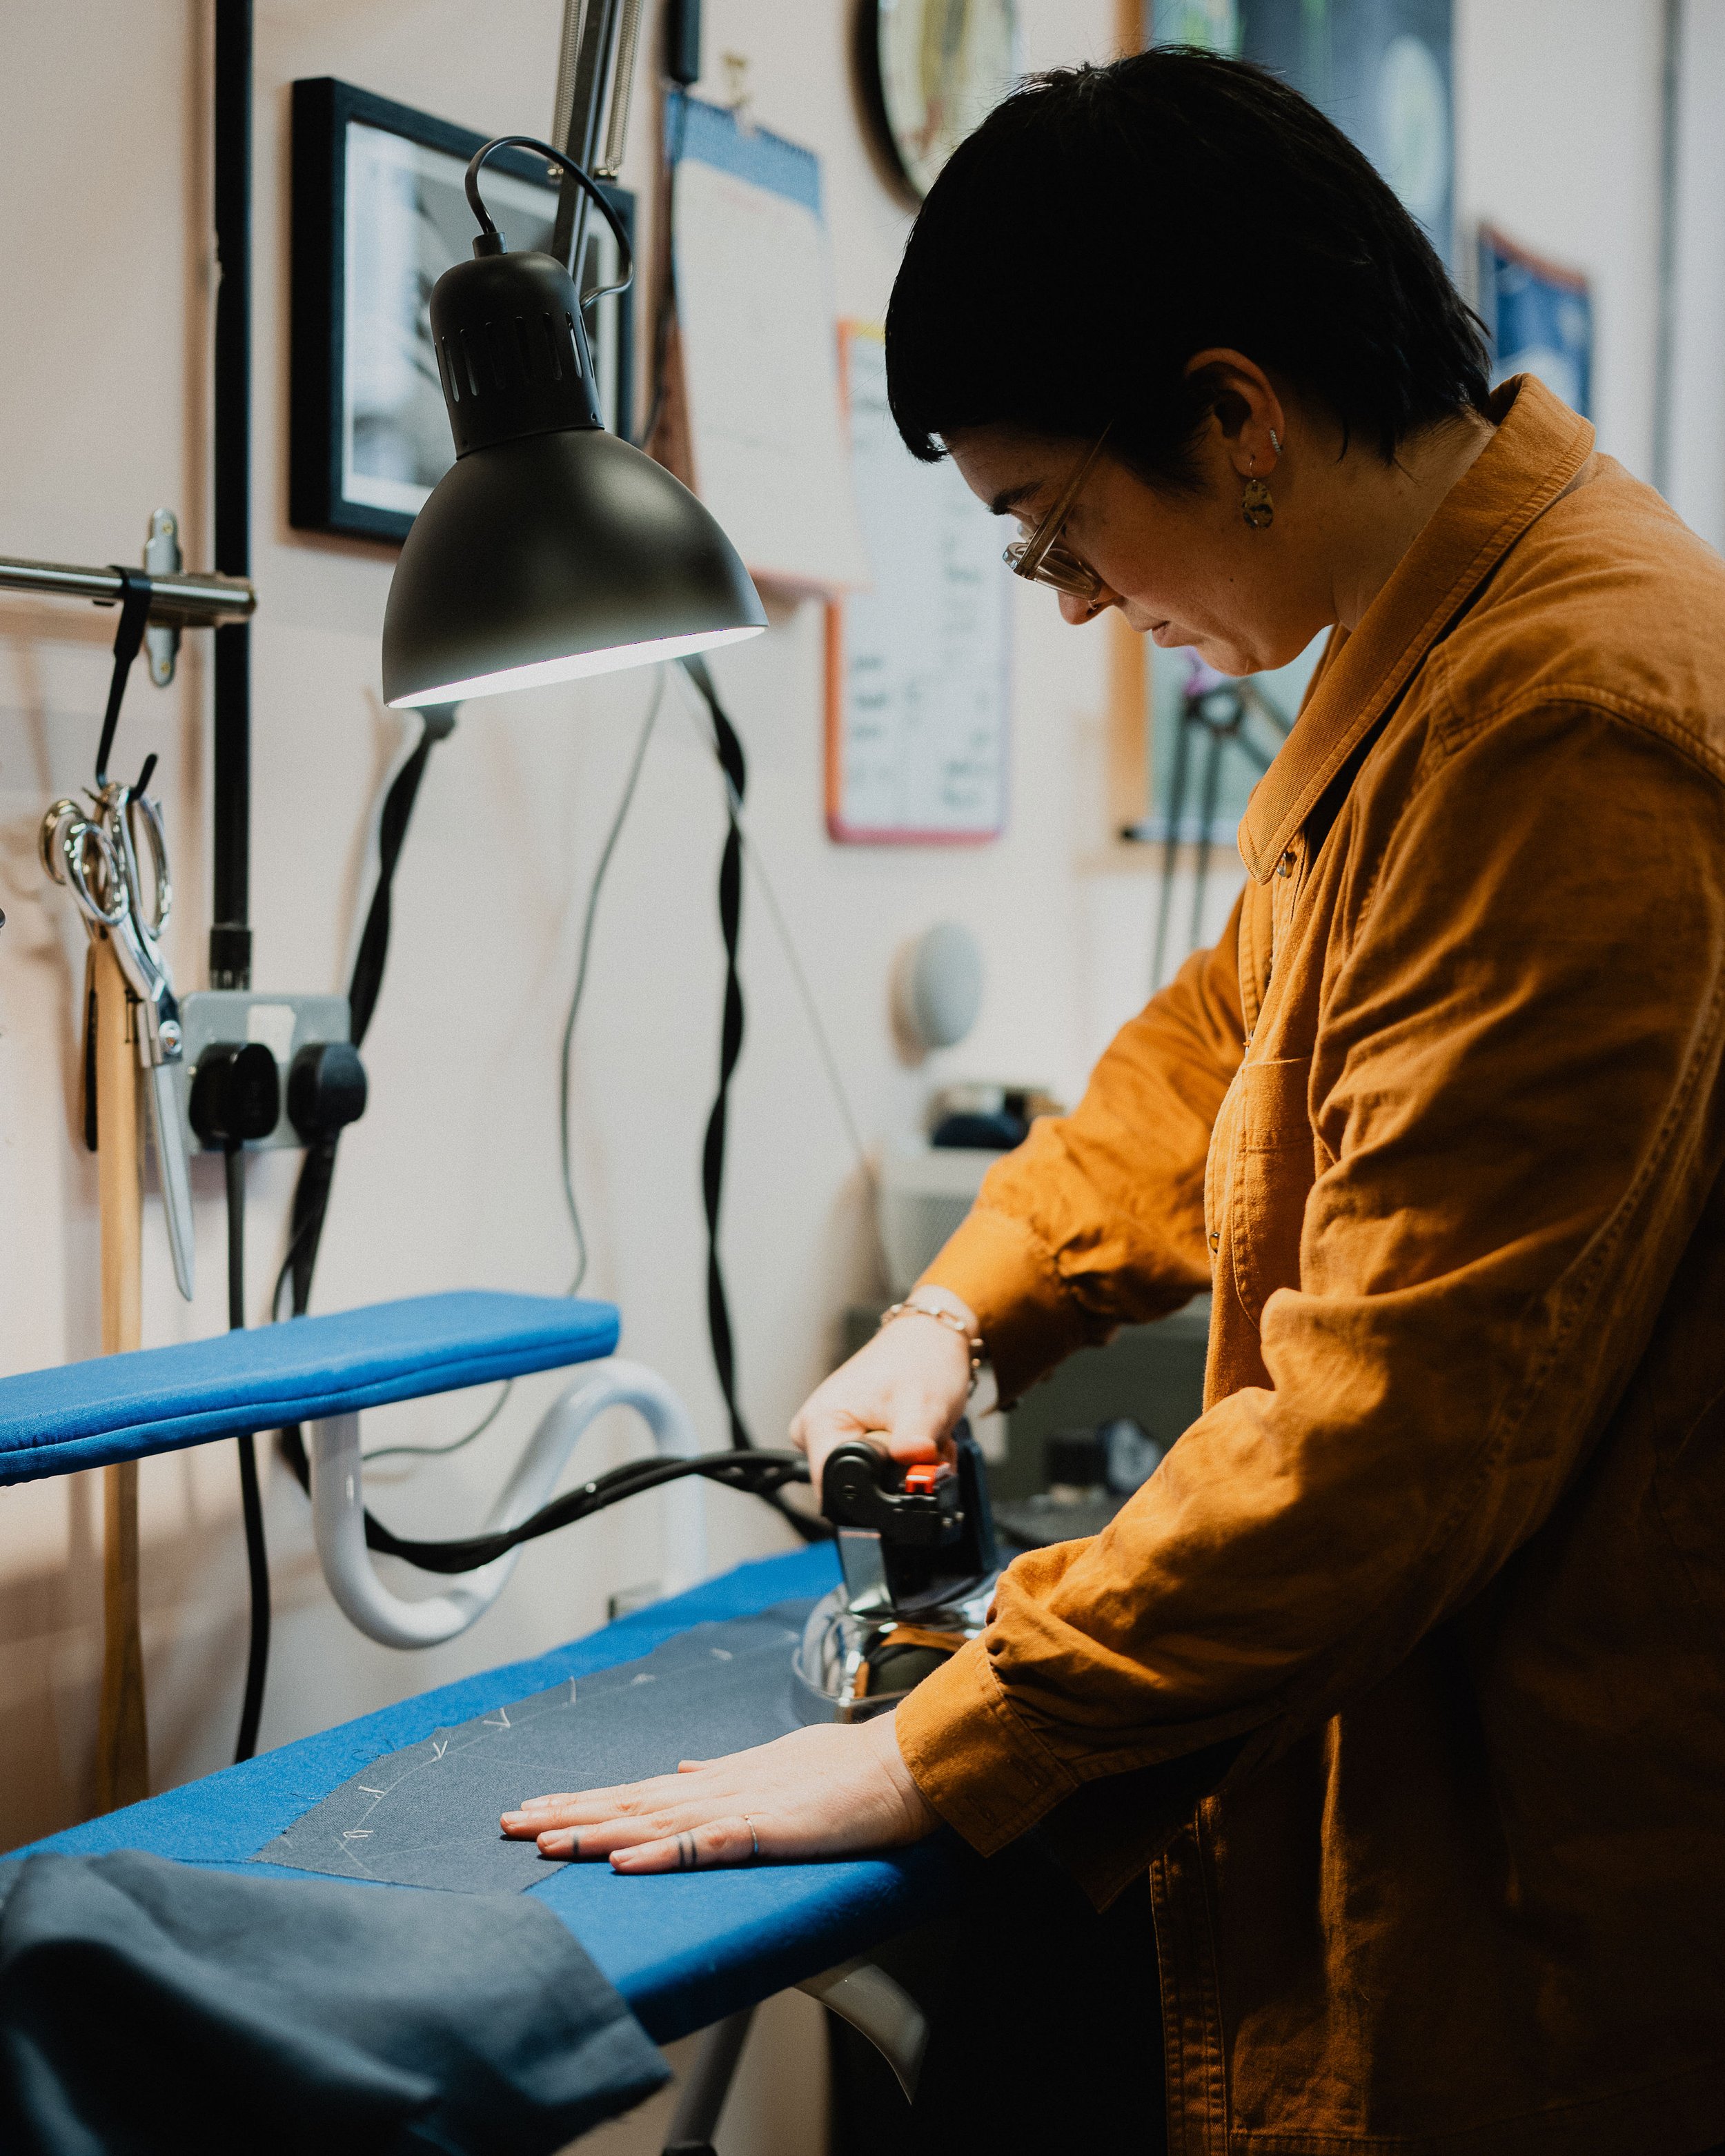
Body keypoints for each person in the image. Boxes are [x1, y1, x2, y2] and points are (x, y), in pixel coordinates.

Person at [502, 49, 1725, 2156]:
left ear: (1235, 417)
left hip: (1544, 1863)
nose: (1071, 602)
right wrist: (947, 1315)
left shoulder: (1563, 717)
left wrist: (953, 1740)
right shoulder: (1431, 662)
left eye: (1061, 527)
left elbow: (1389, 1435)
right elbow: (1207, 1053)